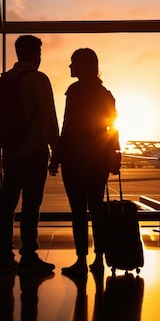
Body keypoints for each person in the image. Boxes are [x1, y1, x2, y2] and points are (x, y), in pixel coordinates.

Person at [49, 48, 121, 276]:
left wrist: (56, 157)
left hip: (74, 159)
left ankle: (81, 258)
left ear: (83, 66)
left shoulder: (75, 92)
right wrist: (113, 154)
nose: (70, 67)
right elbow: (112, 127)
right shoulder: (105, 94)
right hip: (98, 159)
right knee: (97, 208)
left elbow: (67, 127)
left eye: (73, 63)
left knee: (78, 211)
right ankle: (99, 257)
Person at [0, 35, 60, 274]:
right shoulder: (38, 80)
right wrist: (57, 151)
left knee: (7, 204)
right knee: (31, 204)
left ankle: (4, 254)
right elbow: (48, 118)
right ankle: (29, 254)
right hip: (34, 151)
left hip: (11, 152)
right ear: (36, 55)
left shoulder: (3, 81)